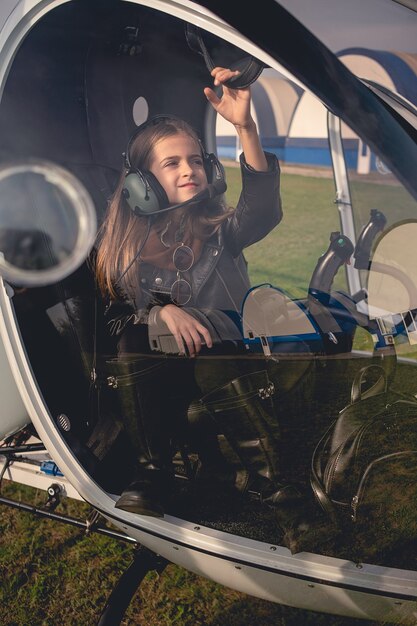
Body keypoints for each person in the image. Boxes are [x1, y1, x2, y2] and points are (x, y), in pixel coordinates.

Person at [95, 67, 285, 517]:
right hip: (164, 386)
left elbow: (261, 209)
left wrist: (245, 127)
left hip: (230, 371)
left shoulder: (223, 233)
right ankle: (153, 475)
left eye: (197, 160)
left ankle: (273, 486)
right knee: (132, 339)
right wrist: (158, 315)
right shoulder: (123, 251)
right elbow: (115, 320)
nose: (190, 170)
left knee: (212, 345)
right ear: (141, 183)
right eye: (173, 163)